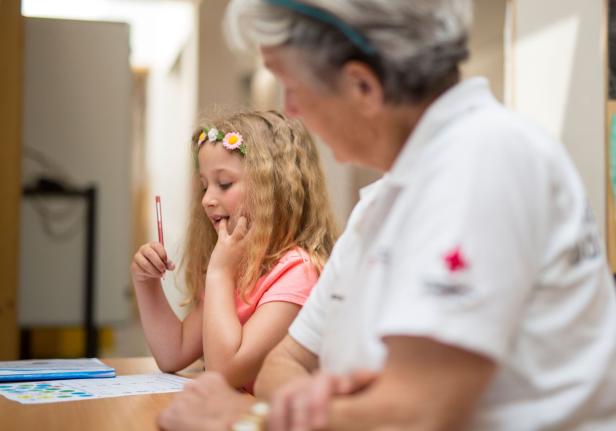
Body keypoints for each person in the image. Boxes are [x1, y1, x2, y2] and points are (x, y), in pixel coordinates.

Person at [158, 1, 616, 430]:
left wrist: (249, 419)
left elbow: (419, 411)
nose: (292, 109)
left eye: (293, 88)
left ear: (363, 86)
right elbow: (286, 362)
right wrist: (335, 407)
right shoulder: (379, 205)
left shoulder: (484, 160)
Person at [131, 110, 337, 391]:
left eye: (224, 184)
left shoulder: (299, 272)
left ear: (274, 188)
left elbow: (225, 371)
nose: (206, 200)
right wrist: (146, 282)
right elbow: (173, 352)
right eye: (204, 186)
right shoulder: (240, 269)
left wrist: (219, 273)